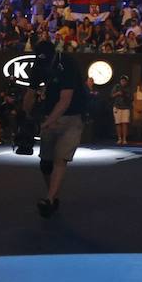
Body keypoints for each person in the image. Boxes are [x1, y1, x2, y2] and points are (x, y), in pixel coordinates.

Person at [22, 40, 88, 217]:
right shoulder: (38, 66)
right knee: (45, 163)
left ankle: (50, 199)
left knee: (60, 158)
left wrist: (47, 122)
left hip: (73, 116)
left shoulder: (67, 63)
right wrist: (25, 117)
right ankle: (54, 195)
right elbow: (30, 93)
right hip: (49, 114)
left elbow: (65, 99)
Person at [111, 78, 131, 145]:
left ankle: (124, 139)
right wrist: (117, 93)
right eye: (122, 81)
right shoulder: (116, 87)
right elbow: (111, 95)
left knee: (125, 123)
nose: (123, 82)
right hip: (117, 107)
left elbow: (131, 97)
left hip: (126, 107)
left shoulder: (128, 88)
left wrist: (125, 95)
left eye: (125, 81)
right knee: (118, 123)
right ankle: (119, 138)